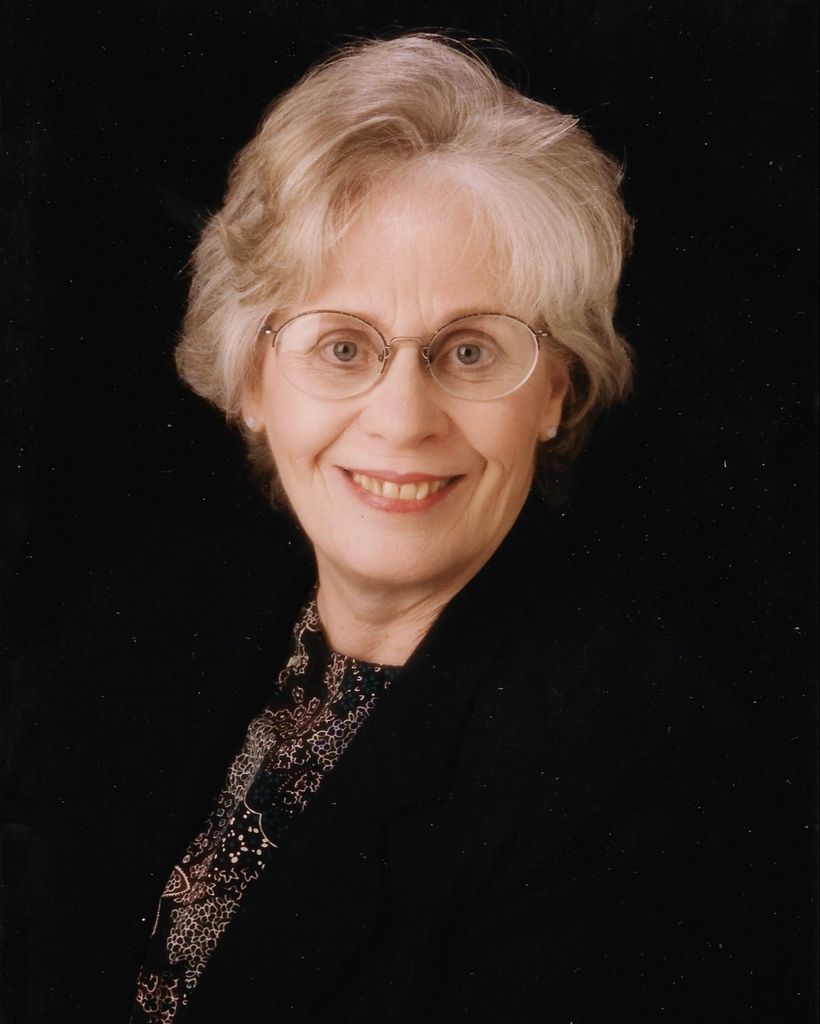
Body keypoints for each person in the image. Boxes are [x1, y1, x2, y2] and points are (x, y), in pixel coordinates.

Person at [125, 33, 750, 1023]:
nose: (403, 419)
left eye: (468, 351)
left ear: (555, 388)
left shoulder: (630, 764)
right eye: (343, 346)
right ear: (251, 379)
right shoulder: (179, 629)